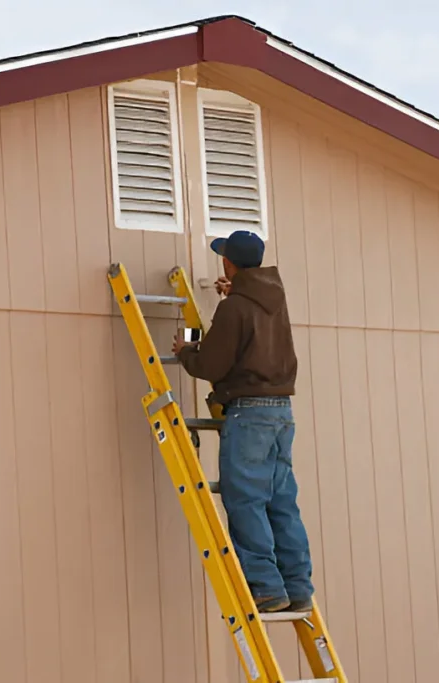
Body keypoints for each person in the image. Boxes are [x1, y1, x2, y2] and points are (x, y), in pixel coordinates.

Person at [171, 229, 314, 613]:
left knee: (246, 499)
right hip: (282, 412)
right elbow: (249, 324)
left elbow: (213, 363)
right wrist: (232, 294)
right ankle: (297, 585)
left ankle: (266, 587)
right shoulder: (273, 298)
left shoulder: (234, 307)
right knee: (281, 502)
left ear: (228, 262)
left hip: (249, 413)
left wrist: (185, 351)